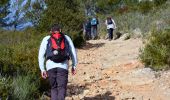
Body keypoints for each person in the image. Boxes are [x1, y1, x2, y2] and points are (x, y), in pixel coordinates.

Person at [38, 24, 77, 100]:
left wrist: (42, 69)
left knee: (53, 88)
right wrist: (74, 66)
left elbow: (41, 55)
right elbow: (73, 52)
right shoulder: (66, 38)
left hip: (50, 66)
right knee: (62, 88)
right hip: (63, 66)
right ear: (60, 30)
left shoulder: (46, 38)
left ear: (51, 31)